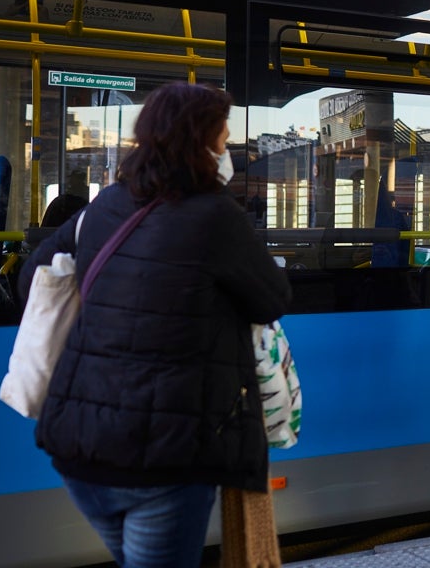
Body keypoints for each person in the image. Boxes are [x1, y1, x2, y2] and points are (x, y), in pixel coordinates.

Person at [18, 82, 292, 568]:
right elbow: (272, 298)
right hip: (164, 458)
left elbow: (31, 281)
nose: (227, 151)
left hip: (79, 448)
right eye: (223, 141)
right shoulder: (215, 216)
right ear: (200, 142)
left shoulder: (104, 206)